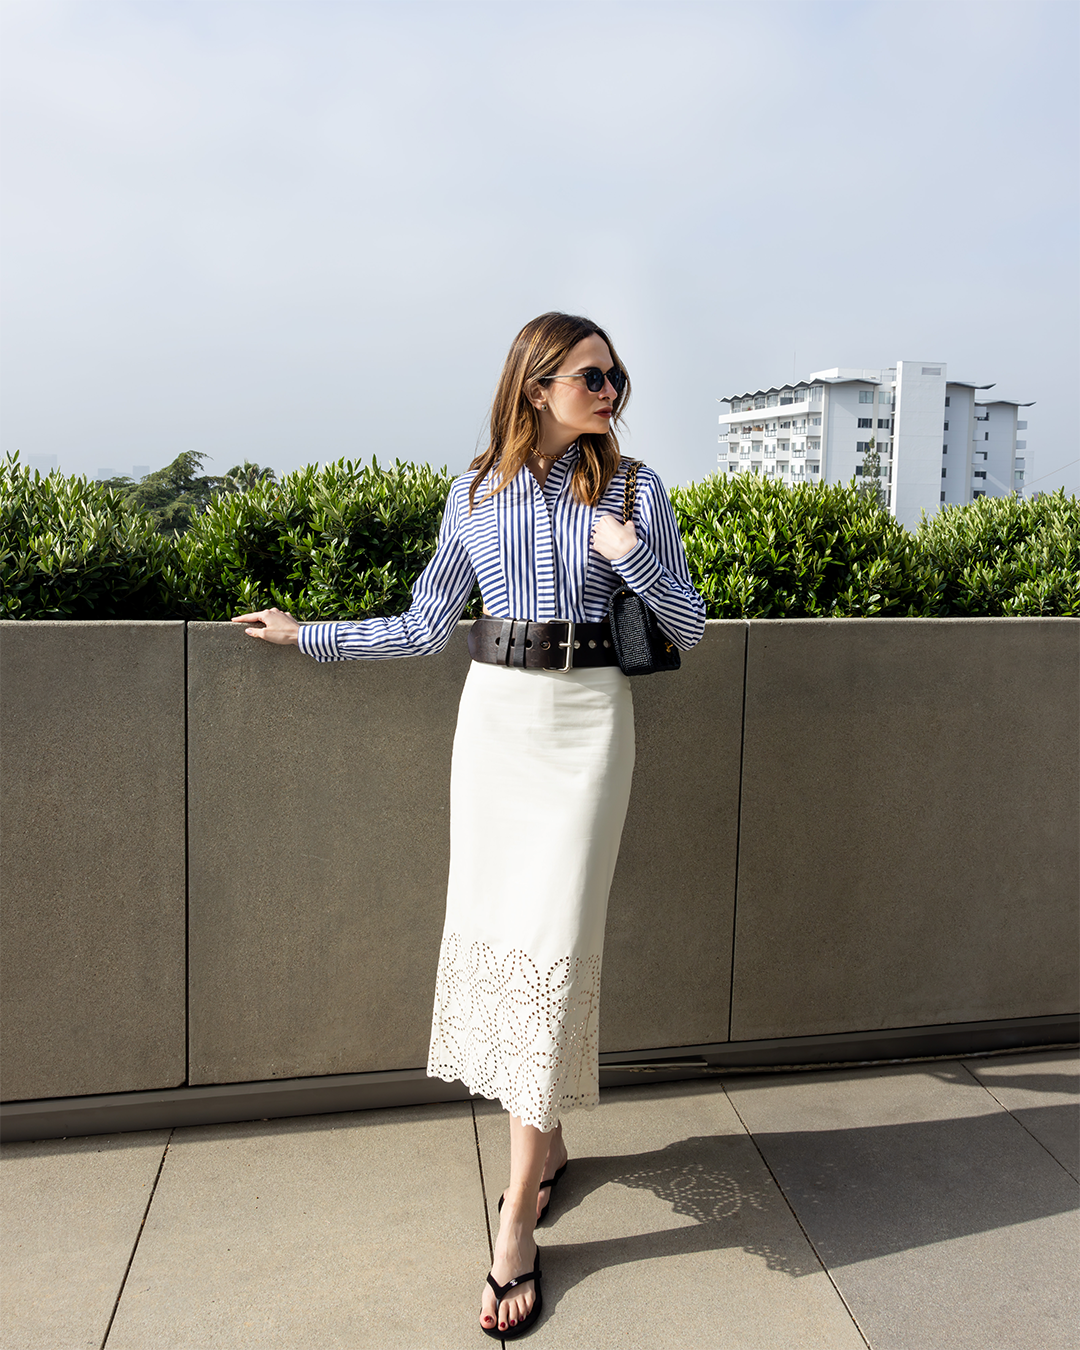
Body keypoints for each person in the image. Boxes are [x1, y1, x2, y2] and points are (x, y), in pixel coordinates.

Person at [233, 311, 705, 1339]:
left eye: (618, 376)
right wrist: (303, 632)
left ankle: (514, 1231)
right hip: (496, 730)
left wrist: (630, 557)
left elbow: (687, 625)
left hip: (588, 733)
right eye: (594, 375)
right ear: (538, 384)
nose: (613, 390)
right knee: (508, 947)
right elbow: (420, 623)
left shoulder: (634, 491)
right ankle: (551, 1149)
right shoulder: (475, 491)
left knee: (557, 946)